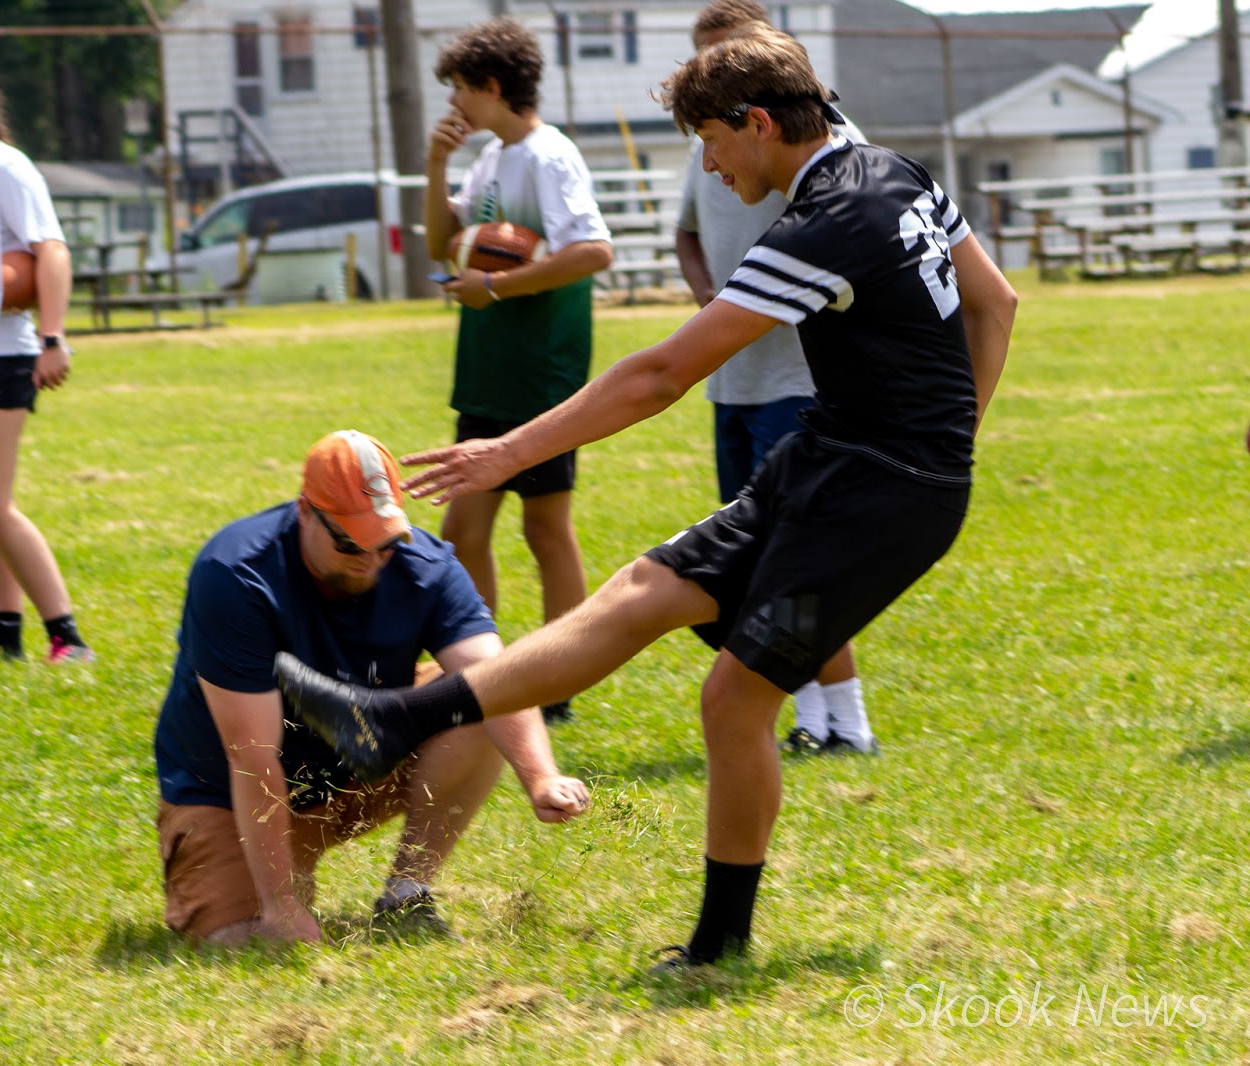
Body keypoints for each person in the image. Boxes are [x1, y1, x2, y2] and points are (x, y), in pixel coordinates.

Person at [275, 25, 1016, 969]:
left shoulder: (825, 224)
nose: (709, 166)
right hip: (835, 458)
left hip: (882, 494)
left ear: (757, 122)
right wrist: (955, 435)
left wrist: (508, 450)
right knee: (641, 591)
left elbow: (662, 374)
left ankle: (718, 947)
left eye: (710, 141)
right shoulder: (896, 172)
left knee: (734, 698)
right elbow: (996, 302)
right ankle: (385, 724)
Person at [153, 431, 590, 947]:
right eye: (348, 542)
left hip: (358, 766)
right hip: (230, 792)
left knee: (473, 700)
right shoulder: (237, 574)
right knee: (240, 938)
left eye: (385, 542)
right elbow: (251, 755)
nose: (369, 557)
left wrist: (540, 777)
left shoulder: (425, 566)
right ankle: (275, 884)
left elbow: (496, 677)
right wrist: (281, 906)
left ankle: (407, 893)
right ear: (305, 512)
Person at [674, 0, 873, 755]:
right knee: (759, 556)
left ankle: (846, 720)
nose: (710, 72)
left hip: (800, 379)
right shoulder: (712, 146)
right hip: (732, 380)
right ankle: (810, 717)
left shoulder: (829, 156)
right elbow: (688, 233)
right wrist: (711, 302)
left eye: (724, 56)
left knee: (798, 555)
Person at [422, 18, 614, 724]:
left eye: (461, 89)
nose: (454, 103)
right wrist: (436, 166)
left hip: (541, 373)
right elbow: (444, 245)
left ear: (494, 86)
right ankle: (485, 676)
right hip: (490, 371)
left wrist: (497, 286)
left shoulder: (549, 155)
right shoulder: (490, 156)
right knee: (462, 531)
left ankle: (558, 683)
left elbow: (594, 251)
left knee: (545, 528)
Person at [0, 58, 94, 666]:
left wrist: (53, 338)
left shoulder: (4, 164)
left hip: (3, 354)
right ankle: (5, 637)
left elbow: (50, 250)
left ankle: (68, 637)